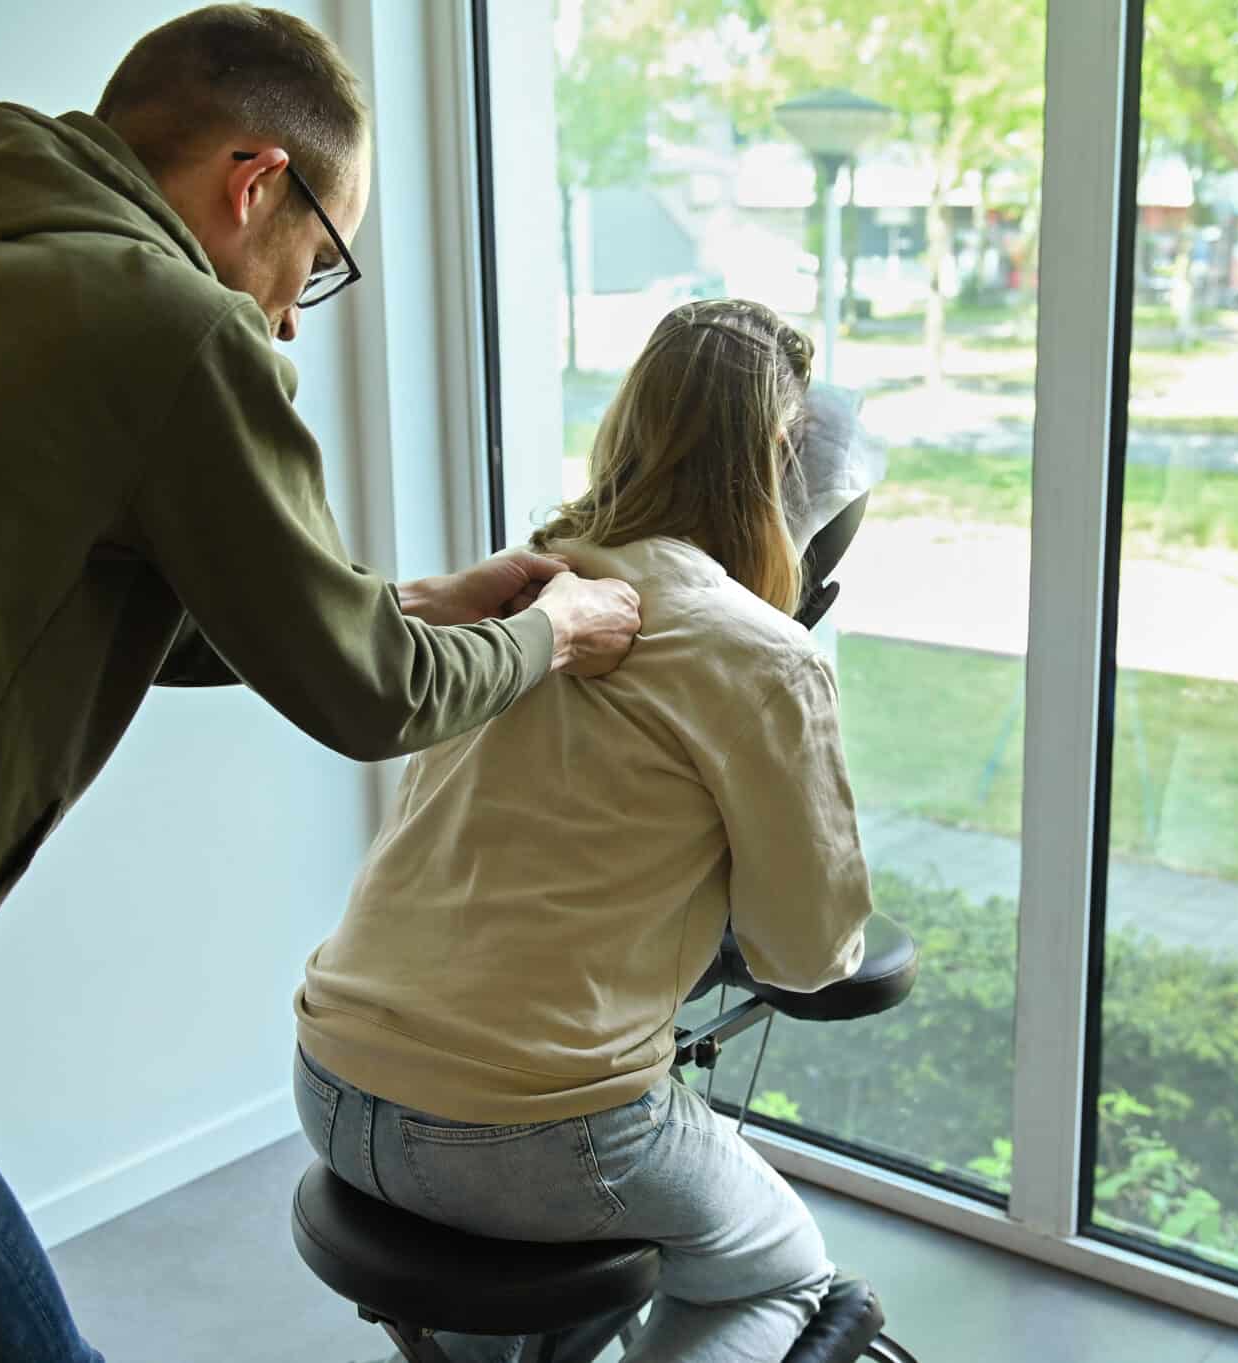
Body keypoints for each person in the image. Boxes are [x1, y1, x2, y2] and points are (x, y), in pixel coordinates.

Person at [0, 8, 640, 1361]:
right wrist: (561, 627)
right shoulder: (170, 322)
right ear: (256, 181)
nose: (290, 315)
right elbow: (371, 696)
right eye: (318, 262)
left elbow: (100, 605)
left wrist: (425, 598)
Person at [293, 299, 877, 1363]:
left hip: (330, 1082)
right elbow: (805, 956)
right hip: (530, 1133)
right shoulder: (763, 654)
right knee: (783, 1270)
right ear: (783, 473)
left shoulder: (521, 588)